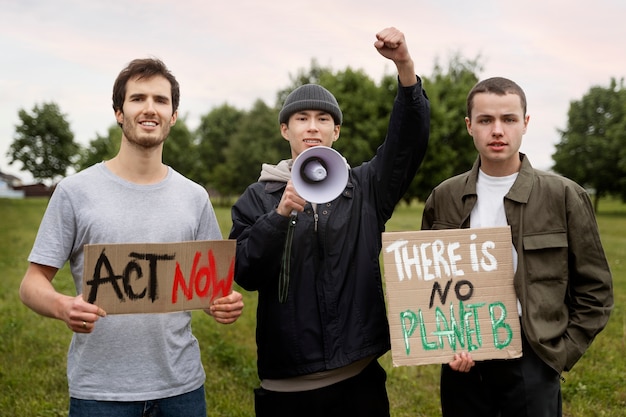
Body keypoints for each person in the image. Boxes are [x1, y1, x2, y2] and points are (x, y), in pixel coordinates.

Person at [19, 58, 244, 417]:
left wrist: (222, 303)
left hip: (181, 389)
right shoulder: (75, 191)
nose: (150, 108)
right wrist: (64, 307)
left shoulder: (195, 197)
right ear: (119, 112)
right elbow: (32, 283)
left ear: (173, 115)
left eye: (161, 100)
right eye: (138, 98)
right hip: (100, 393)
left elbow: (207, 290)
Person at [229, 27, 430, 417]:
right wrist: (280, 214)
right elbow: (246, 272)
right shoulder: (258, 197)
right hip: (286, 380)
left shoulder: (366, 187)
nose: (312, 126)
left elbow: (407, 142)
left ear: (335, 131)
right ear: (285, 130)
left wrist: (404, 67)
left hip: (358, 376)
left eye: (323, 119)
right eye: (301, 118)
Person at [421, 76, 614, 417]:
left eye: (508, 119)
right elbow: (429, 286)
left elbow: (595, 290)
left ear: (525, 123)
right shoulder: (444, 197)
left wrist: (559, 354)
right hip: (463, 357)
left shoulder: (564, 195)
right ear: (469, 126)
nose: (498, 130)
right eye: (485, 120)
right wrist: (447, 343)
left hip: (533, 355)